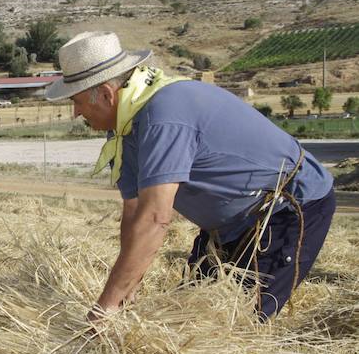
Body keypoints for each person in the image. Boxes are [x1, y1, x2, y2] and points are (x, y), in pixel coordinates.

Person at [44, 31, 335, 322]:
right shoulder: (123, 130)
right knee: (186, 318)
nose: (74, 112)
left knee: (233, 326)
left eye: (77, 101)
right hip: (228, 227)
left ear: (107, 94)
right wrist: (126, 287)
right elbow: (134, 213)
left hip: (286, 209)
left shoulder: (163, 117)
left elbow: (156, 218)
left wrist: (104, 307)